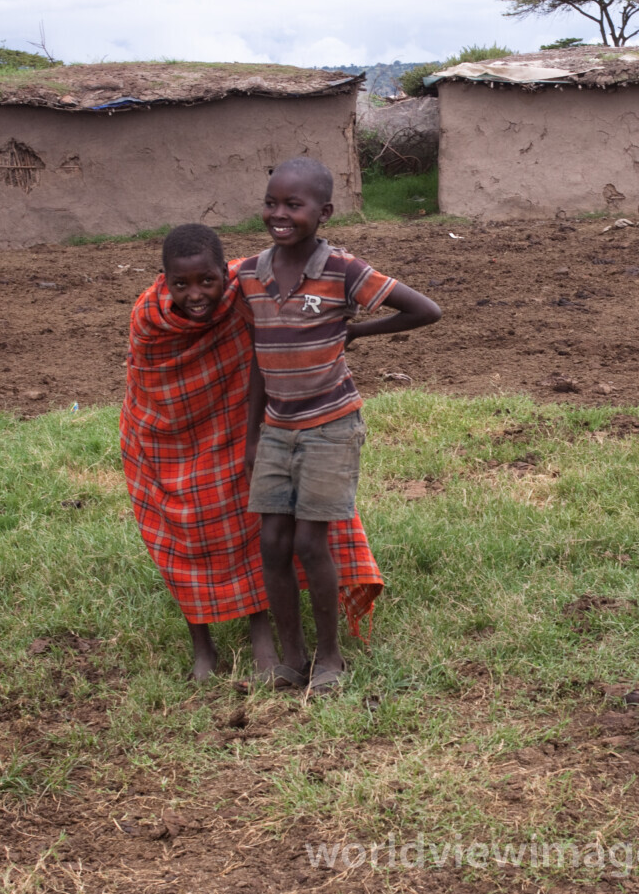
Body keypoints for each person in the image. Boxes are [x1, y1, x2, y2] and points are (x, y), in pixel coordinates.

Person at [121, 223, 383, 686]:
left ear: (223, 273)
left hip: (241, 428)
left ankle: (262, 627)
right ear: (164, 281)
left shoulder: (245, 291)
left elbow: (295, 269)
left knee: (250, 523)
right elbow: (146, 384)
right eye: (180, 284)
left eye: (207, 281)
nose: (196, 294)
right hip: (165, 438)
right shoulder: (149, 317)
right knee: (184, 535)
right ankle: (201, 643)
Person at [242, 158, 441, 696]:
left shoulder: (343, 271)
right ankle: (292, 657)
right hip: (277, 428)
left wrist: (357, 332)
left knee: (310, 542)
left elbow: (426, 310)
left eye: (294, 205)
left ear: (324, 212)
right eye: (271, 203)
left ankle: (329, 657)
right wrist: (253, 434)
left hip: (331, 425)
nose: (279, 214)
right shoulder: (249, 274)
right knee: (272, 540)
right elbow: (259, 358)